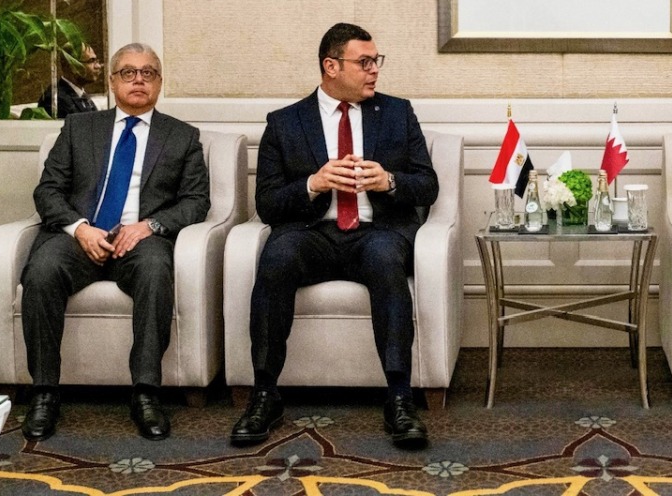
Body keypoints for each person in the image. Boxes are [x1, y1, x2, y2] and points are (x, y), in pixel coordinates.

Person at [230, 23, 439, 450]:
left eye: (376, 61)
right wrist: (314, 183)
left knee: (386, 260)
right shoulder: (285, 123)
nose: (374, 70)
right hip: (312, 233)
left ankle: (399, 397)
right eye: (364, 62)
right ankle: (265, 394)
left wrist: (390, 182)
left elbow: (427, 185)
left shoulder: (398, 113)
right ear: (331, 66)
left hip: (376, 231)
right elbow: (267, 203)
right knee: (276, 258)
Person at [22, 43, 210, 442]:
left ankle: (145, 392)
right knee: (41, 271)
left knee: (157, 271)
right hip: (80, 236)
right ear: (111, 81)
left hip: (139, 240)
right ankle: (44, 393)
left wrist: (151, 225)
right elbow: (48, 190)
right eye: (128, 72)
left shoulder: (182, 136)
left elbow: (196, 201)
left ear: (159, 82)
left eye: (148, 73)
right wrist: (79, 228)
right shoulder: (78, 128)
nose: (138, 80)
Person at [37, 45, 103, 117]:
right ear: (71, 66)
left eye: (96, 61)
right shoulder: (55, 100)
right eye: (91, 61)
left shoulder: (81, 95)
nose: (98, 66)